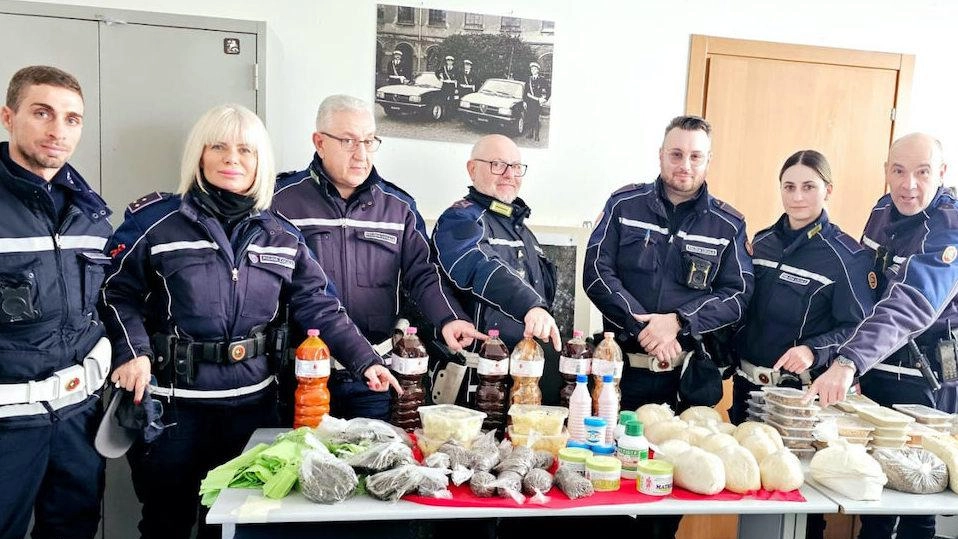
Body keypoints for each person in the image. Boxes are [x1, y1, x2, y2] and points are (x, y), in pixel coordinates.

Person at [101, 104, 399, 539]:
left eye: (246, 149)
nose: (232, 158)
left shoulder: (281, 234)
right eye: (218, 146)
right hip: (171, 408)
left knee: (232, 524)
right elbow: (114, 292)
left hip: (251, 409)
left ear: (262, 161)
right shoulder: (157, 224)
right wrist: (133, 353)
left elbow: (319, 304)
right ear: (199, 155)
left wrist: (365, 360)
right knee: (166, 521)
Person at [582, 115, 752, 539]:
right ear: (661, 155)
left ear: (708, 160)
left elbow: (738, 294)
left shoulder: (728, 225)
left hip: (684, 381)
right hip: (620, 378)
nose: (685, 165)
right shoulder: (625, 205)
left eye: (696, 156)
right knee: (609, 486)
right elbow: (596, 272)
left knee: (669, 494)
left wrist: (678, 323)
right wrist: (644, 327)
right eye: (676, 154)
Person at [273, 94, 482, 422]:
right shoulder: (281, 202)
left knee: (373, 468)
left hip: (373, 378)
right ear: (320, 142)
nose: (361, 154)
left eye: (369, 141)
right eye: (348, 141)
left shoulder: (398, 207)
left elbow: (423, 273)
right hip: (302, 376)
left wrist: (449, 318)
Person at [805, 133, 957, 539]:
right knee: (873, 491)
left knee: (916, 497)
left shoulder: (949, 229)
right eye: (899, 171)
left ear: (942, 173)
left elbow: (910, 302)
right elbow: (866, 288)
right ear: (886, 172)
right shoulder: (883, 210)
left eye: (923, 172)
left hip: (925, 384)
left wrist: (847, 361)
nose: (909, 184)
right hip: (876, 371)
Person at [0, 65, 112, 539]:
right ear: (8, 117)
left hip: (77, 419)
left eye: (72, 119)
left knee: (73, 529)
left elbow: (109, 305)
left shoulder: (90, 211)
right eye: (42, 113)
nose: (57, 130)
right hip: (7, 425)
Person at [430, 134, 559, 539]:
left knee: (516, 492)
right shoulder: (461, 218)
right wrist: (528, 305)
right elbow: (476, 265)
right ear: (472, 169)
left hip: (522, 388)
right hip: (477, 387)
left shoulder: (522, 228)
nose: (509, 175)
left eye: (516, 166)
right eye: (497, 165)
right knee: (471, 501)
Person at [731, 150, 874, 425]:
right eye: (789, 187)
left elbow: (860, 329)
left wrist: (813, 350)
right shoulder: (761, 243)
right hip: (745, 389)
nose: (797, 197)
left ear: (828, 191)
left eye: (809, 187)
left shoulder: (847, 258)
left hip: (798, 398)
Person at [524, 62, 549, 141]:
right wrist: (525, 101)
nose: (533, 70)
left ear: (538, 70)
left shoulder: (542, 80)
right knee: (529, 117)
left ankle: (536, 135)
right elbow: (525, 92)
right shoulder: (528, 79)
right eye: (531, 69)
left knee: (536, 118)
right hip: (529, 102)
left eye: (534, 69)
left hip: (537, 103)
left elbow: (548, 90)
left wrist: (544, 99)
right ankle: (530, 133)